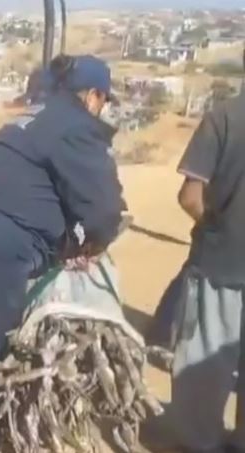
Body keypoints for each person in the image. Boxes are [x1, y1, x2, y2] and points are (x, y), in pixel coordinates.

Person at [0, 55, 124, 451]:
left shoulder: (34, 116)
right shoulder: (77, 127)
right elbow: (103, 209)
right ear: (92, 96)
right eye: (103, 101)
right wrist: (92, 243)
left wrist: (71, 239)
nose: (101, 109)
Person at [158, 48, 245, 453]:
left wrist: (210, 223)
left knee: (204, 369)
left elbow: (190, 196)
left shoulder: (223, 118)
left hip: (221, 264)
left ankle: (201, 444)